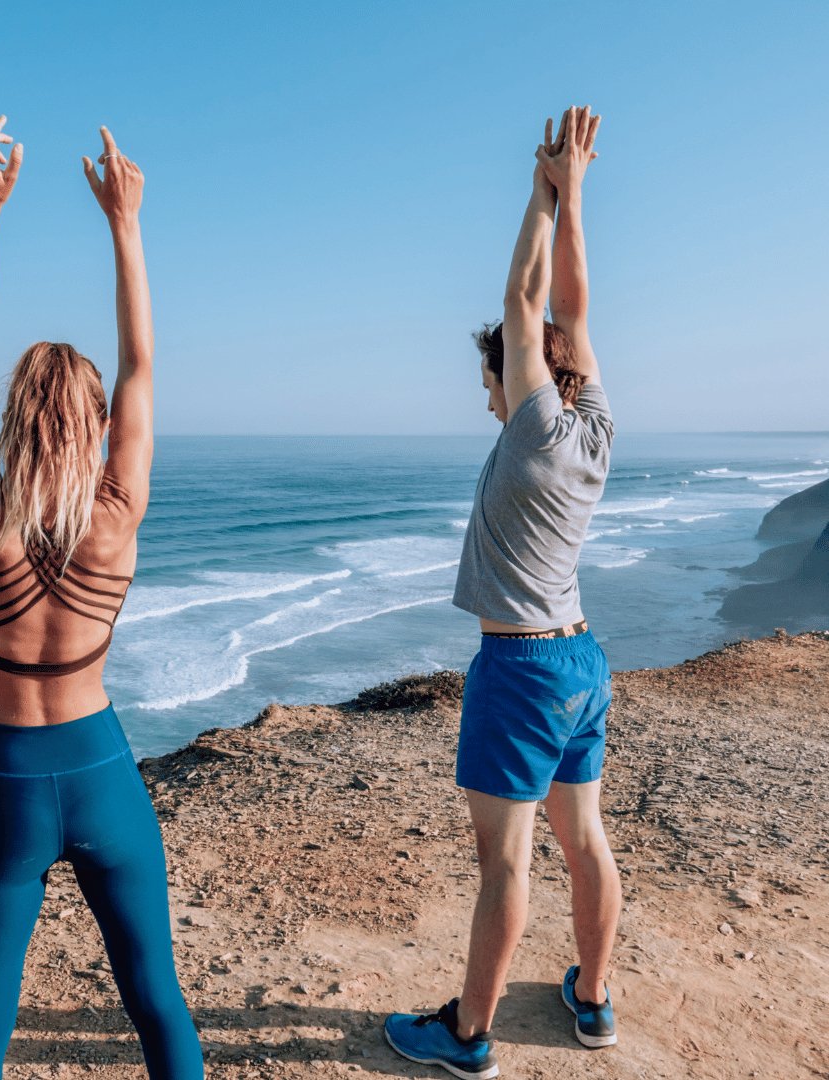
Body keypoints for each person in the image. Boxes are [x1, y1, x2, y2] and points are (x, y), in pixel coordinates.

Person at [0, 116, 204, 1080]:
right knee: (157, 1004)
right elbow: (141, 367)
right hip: (101, 768)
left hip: (5, 776)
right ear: (95, 423)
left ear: (13, 418)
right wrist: (125, 224)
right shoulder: (119, 512)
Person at [384, 106, 618, 1078]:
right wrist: (578, 197)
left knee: (507, 864)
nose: (486, 393)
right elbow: (571, 310)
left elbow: (528, 303)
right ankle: (593, 1003)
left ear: (519, 380)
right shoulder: (597, 423)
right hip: (580, 660)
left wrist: (539, 188)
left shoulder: (529, 432)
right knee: (586, 840)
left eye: (494, 379)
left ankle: (467, 1035)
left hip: (520, 666)